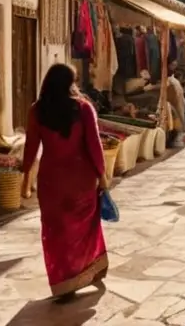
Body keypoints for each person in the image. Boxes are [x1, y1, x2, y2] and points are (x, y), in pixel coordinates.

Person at [21, 63, 108, 302]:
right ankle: (89, 270)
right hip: (82, 180)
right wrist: (103, 176)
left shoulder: (37, 111)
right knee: (84, 228)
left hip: (51, 183)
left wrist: (25, 177)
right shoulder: (83, 109)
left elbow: (30, 148)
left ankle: (63, 282)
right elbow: (94, 146)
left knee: (56, 232)